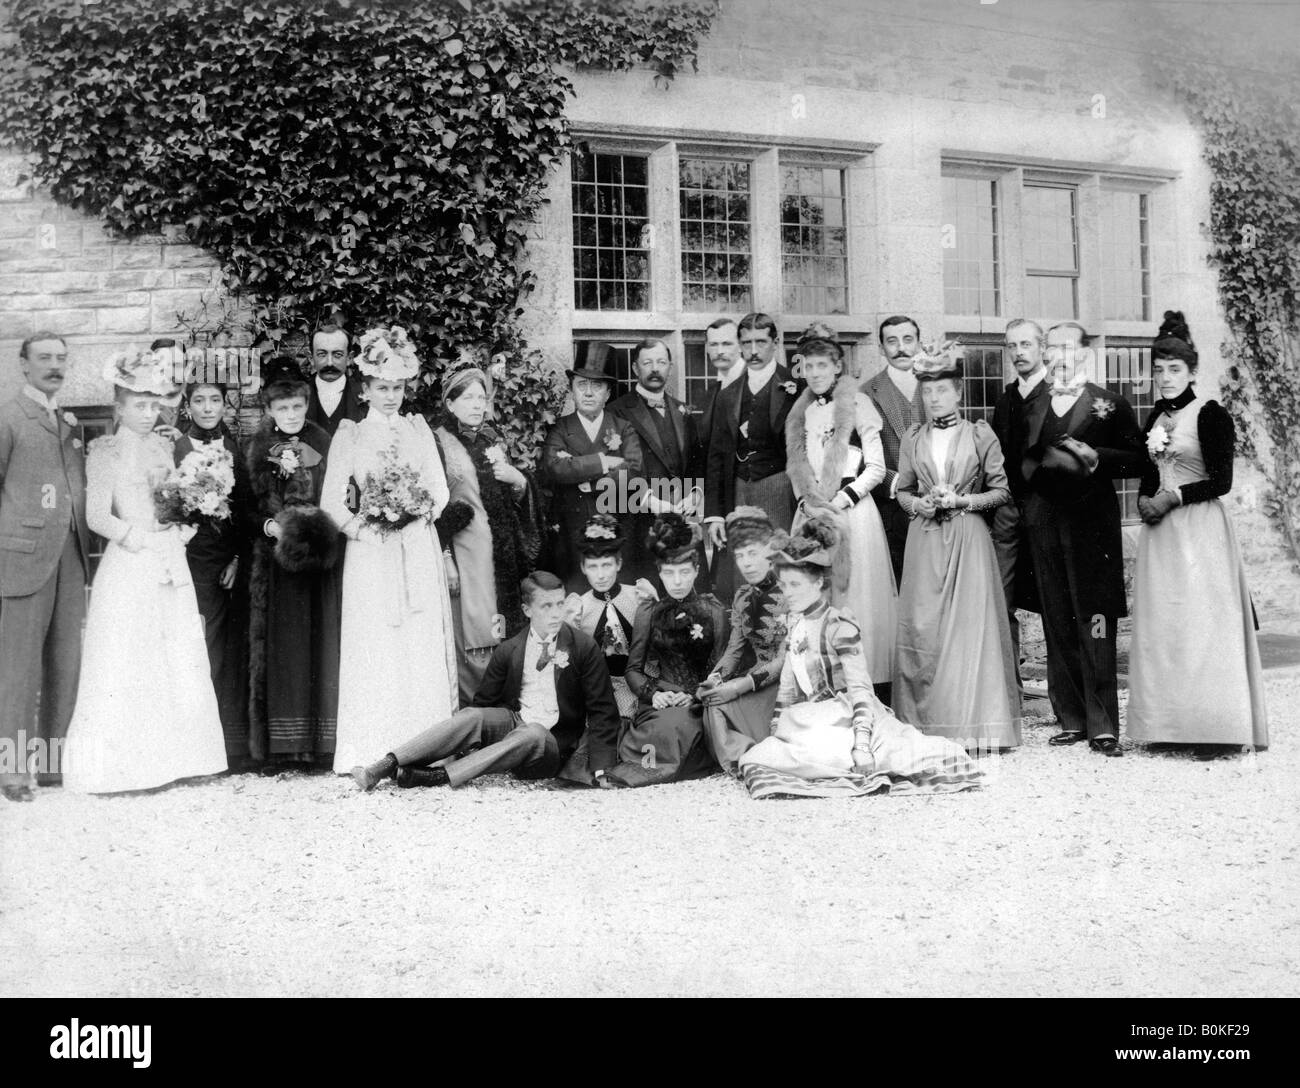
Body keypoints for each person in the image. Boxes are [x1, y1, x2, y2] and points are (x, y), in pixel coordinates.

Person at [63, 347, 226, 793]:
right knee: (130, 656)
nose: (148, 413)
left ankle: (178, 758)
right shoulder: (106, 451)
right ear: (119, 406)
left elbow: (173, 500)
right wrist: (136, 536)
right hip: (132, 562)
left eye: (154, 404)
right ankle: (127, 767)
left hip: (168, 558)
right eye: (139, 405)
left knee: (173, 652)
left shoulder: (162, 445)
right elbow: (97, 515)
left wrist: (182, 524)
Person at [737, 519, 983, 800]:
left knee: (910, 757)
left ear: (818, 583)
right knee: (760, 757)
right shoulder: (796, 623)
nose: (787, 593)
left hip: (849, 717)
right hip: (810, 717)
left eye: (795, 584)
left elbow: (860, 689)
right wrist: (776, 731)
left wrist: (862, 745)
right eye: (784, 585)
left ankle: (854, 756)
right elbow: (787, 687)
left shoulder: (840, 626)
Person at [1127, 312, 1268, 758]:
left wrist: (1173, 497)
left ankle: (1216, 729)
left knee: (1204, 624)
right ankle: (1173, 725)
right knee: (1167, 626)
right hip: (1163, 536)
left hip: (1201, 530)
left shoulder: (1210, 414)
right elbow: (1151, 470)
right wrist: (1146, 499)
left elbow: (1221, 481)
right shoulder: (1155, 415)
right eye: (1159, 370)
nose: (1165, 378)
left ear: (1192, 372)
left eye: (1175, 370)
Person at [323, 325, 459, 774]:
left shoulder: (419, 430)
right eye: (382, 388)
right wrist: (365, 528)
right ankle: (372, 743)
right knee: (377, 641)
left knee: (416, 639)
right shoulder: (351, 435)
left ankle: (423, 746)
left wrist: (417, 514)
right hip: (372, 552)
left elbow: (438, 491)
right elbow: (331, 502)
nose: (391, 396)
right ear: (365, 388)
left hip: (415, 545)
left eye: (398, 387)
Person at [349, 571, 621, 791]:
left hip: (550, 745)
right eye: (546, 606)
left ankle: (437, 777)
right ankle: (383, 766)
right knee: (472, 716)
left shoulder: (583, 648)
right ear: (527, 610)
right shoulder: (510, 649)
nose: (555, 613)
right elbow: (483, 705)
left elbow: (603, 712)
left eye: (560, 604)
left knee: (534, 732)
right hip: (515, 726)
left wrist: (600, 767)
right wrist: (464, 746)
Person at [1022, 322, 1143, 757]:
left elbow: (1139, 459)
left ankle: (1103, 723)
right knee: (1057, 617)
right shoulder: (1033, 403)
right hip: (1045, 525)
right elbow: (1020, 460)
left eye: (1068, 348)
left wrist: (1099, 457)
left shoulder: (1110, 404)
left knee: (1095, 621)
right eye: (1052, 347)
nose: (1059, 355)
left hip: (1092, 528)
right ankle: (1070, 717)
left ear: (1085, 355)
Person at [892, 344, 1021, 752]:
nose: (934, 399)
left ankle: (974, 725)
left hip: (968, 538)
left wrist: (964, 502)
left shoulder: (979, 434)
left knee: (969, 630)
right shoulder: (913, 438)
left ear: (959, 392)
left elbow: (1001, 491)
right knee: (924, 626)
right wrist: (920, 505)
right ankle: (926, 726)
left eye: (942, 391)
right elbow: (904, 491)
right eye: (928, 393)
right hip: (926, 539)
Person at [0, 332, 91, 801]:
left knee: (64, 662)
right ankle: (14, 773)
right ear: (23, 364)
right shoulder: (9, 416)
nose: (54, 366)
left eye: (61, 359)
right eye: (44, 359)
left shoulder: (66, 420)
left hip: (69, 556)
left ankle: (52, 767)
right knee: (19, 668)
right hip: (23, 556)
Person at [784, 333, 896, 696]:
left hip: (852, 513)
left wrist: (843, 499)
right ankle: (824, 686)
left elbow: (877, 468)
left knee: (857, 597)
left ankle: (868, 688)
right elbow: (799, 465)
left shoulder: (858, 403)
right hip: (815, 513)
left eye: (822, 365)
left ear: (836, 367)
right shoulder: (802, 411)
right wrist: (809, 503)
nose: (815, 373)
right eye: (808, 366)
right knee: (819, 593)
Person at [247, 356, 343, 770]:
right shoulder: (255, 447)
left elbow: (338, 494)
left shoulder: (323, 441)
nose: (290, 415)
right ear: (270, 409)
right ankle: (282, 747)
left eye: (297, 407)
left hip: (319, 559)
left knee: (317, 643)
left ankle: (318, 744)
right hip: (274, 562)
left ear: (306, 406)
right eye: (282, 408)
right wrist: (269, 525)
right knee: (280, 647)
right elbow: (245, 505)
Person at [433, 366, 543, 703]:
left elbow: (512, 499)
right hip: (466, 554)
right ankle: (472, 718)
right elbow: (433, 505)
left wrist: (519, 481)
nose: (477, 405)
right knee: (472, 629)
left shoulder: (494, 439)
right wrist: (446, 556)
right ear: (450, 404)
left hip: (502, 554)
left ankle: (505, 714)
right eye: (468, 398)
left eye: (482, 397)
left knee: (502, 629)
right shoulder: (437, 442)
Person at [606, 514, 729, 787]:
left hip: (699, 703)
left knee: (680, 726)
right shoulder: (649, 612)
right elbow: (633, 670)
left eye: (684, 572)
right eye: (669, 573)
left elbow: (721, 667)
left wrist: (696, 697)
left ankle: (666, 766)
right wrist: (656, 694)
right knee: (663, 726)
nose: (677, 582)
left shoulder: (713, 611)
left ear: (696, 571)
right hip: (660, 700)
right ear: (659, 573)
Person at [175, 380, 256, 769]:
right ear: (188, 406)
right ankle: (195, 747)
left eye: (215, 401)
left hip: (229, 562)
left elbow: (245, 508)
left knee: (232, 649)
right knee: (199, 646)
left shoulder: (235, 449)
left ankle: (232, 747)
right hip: (191, 560)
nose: (208, 408)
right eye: (199, 401)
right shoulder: (175, 449)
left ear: (225, 406)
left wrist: (239, 558)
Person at [703, 311, 800, 569]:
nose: (753, 351)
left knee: (780, 564)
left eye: (761, 342)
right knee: (742, 567)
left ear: (776, 343)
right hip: (738, 491)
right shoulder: (728, 394)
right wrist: (713, 514)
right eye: (747, 343)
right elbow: (716, 456)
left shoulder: (796, 387)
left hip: (779, 489)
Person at [697, 506, 788, 775]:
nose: (746, 563)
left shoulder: (791, 592)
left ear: (770, 553)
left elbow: (786, 659)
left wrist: (740, 686)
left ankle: (754, 756)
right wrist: (714, 679)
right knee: (713, 702)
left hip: (787, 684)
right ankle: (745, 757)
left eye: (753, 553)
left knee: (724, 703)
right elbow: (734, 651)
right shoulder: (742, 596)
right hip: (754, 680)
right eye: (739, 556)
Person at [541, 355, 642, 590]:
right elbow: (555, 467)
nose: (588, 393)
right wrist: (603, 461)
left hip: (616, 527)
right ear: (572, 391)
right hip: (572, 532)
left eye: (596, 386)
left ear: (607, 394)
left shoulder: (622, 427)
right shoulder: (560, 429)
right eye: (582, 385)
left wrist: (584, 476)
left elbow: (634, 471)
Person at [609, 339, 702, 585]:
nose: (655, 369)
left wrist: (695, 493)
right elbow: (616, 467)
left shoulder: (683, 410)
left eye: (661, 362)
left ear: (670, 367)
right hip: (639, 519)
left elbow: (695, 460)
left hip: (681, 518)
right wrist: (650, 500)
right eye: (647, 362)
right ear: (635, 368)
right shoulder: (617, 411)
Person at [990, 318, 1050, 689]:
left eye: (1026, 344)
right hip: (1009, 511)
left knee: (1054, 602)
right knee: (1001, 596)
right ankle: (1009, 690)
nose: (1018, 353)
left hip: (1047, 509)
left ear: (1042, 347)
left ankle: (1066, 698)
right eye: (1012, 346)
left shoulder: (1058, 394)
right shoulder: (1005, 400)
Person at [861, 315, 926, 584]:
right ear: (880, 348)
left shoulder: (936, 385)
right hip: (891, 507)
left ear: (919, 343)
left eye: (908, 339)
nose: (901, 348)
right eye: (892, 341)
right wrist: (898, 484)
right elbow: (860, 457)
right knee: (901, 582)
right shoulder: (866, 392)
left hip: (938, 500)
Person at [563, 514, 645, 722]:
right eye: (593, 567)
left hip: (642, 681)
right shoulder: (578, 607)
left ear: (619, 564)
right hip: (600, 688)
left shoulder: (637, 596)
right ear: (583, 568)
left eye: (606, 565)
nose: (600, 575)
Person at [696, 317, 746, 599]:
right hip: (721, 506)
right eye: (713, 344)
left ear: (740, 345)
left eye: (727, 343)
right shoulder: (709, 395)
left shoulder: (751, 385)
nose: (720, 351)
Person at [306, 323, 367, 437]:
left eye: (337, 354)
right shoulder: (295, 397)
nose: (329, 362)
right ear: (311, 358)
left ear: (349, 358)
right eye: (321, 354)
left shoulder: (368, 397)